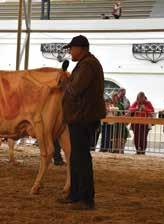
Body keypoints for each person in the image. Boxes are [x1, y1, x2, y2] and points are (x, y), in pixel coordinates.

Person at [57, 35, 106, 210]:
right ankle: (76, 195)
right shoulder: (87, 64)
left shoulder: (88, 65)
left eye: (72, 48)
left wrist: (65, 82)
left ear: (82, 48)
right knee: (77, 157)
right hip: (80, 116)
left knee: (81, 158)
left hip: (82, 118)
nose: (70, 52)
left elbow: (76, 89)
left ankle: (85, 199)